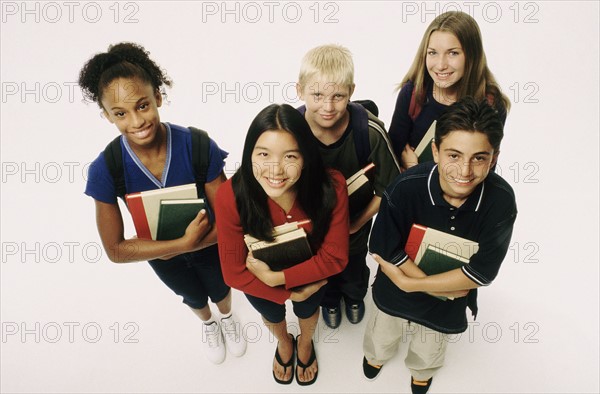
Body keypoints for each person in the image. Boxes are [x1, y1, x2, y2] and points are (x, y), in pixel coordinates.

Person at [79, 42, 246, 364]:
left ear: (158, 96)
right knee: (192, 296)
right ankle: (209, 323)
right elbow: (115, 250)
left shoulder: (196, 145)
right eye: (120, 114)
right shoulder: (106, 168)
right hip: (162, 257)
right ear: (106, 116)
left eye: (142, 106)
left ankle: (226, 317)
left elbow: (232, 220)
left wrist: (193, 243)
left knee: (221, 288)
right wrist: (182, 244)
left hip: (212, 245)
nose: (136, 121)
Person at [362, 97, 517, 394]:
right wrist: (421, 285)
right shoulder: (406, 186)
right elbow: (383, 244)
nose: (465, 170)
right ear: (435, 150)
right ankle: (376, 356)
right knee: (382, 332)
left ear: (494, 157)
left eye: (479, 158)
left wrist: (414, 284)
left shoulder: (501, 202)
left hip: (444, 300)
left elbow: (482, 272)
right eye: (454, 155)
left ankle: (421, 371)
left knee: (429, 346)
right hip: (399, 285)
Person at [214, 103, 349, 386]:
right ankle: (285, 343)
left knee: (308, 310)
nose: (275, 170)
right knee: (271, 314)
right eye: (263, 154)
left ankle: (305, 344)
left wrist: (280, 278)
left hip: (310, 277)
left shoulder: (332, 186)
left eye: (290, 156)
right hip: (258, 282)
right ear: (249, 153)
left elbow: (335, 258)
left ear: (306, 157)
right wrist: (285, 292)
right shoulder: (231, 196)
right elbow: (233, 272)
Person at [295, 44, 400, 328]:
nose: (328, 107)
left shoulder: (370, 132)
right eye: (317, 95)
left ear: (351, 92)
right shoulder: (289, 132)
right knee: (321, 275)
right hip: (311, 233)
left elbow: (389, 189)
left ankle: (354, 297)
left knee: (353, 272)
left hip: (354, 228)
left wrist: (356, 223)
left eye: (338, 96)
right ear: (299, 90)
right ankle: (329, 302)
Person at [388, 11, 510, 170]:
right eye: (432, 53)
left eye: (453, 53)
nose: (440, 65)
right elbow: (390, 165)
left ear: (472, 56)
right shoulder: (414, 94)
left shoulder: (490, 104)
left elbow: (483, 171)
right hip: (411, 192)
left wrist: (413, 168)